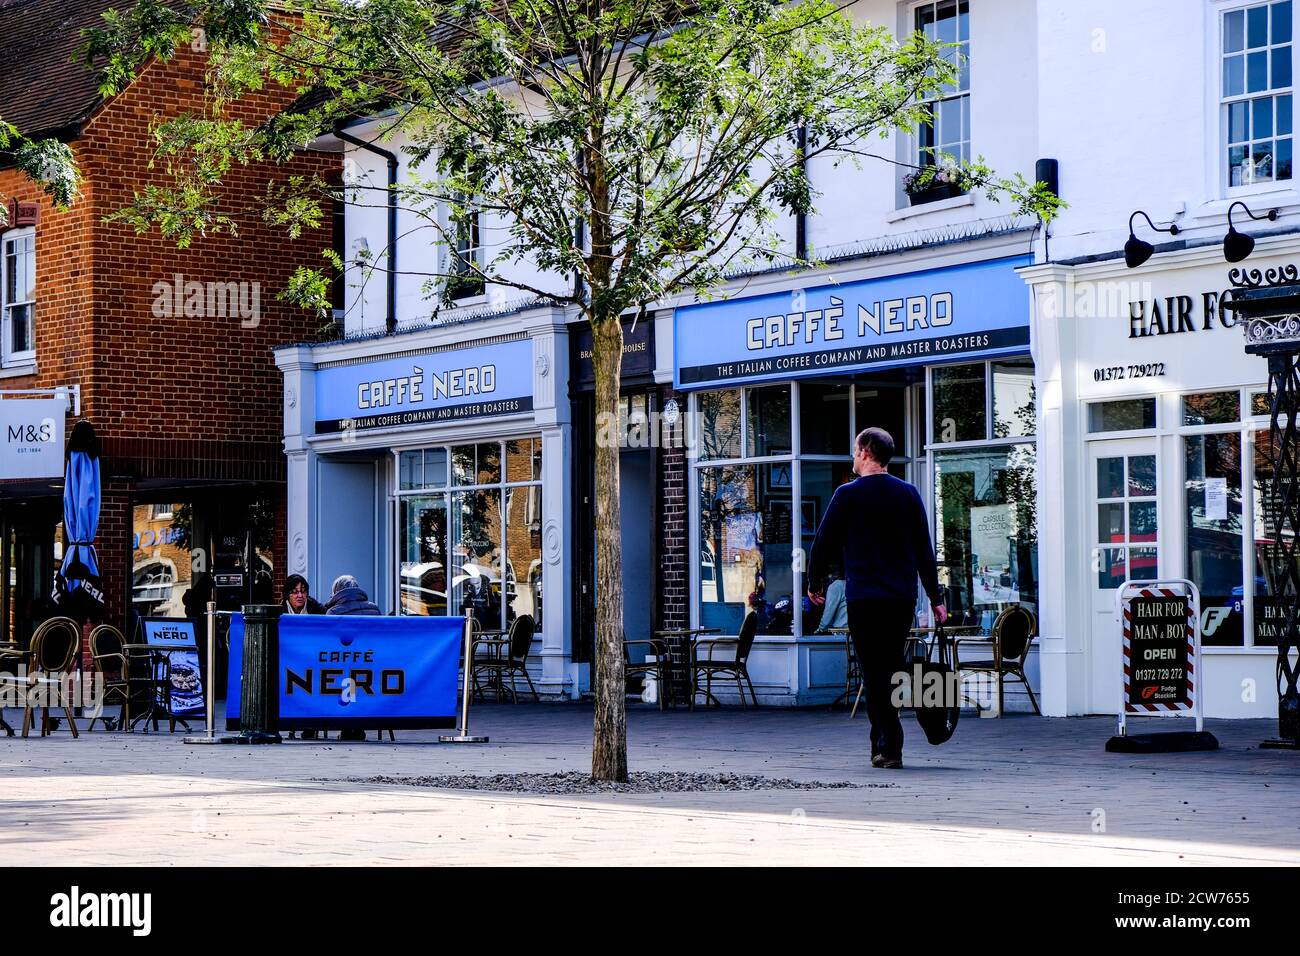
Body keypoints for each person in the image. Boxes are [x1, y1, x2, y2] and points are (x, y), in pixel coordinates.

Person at [807, 427, 946, 770]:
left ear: (867, 452)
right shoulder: (909, 494)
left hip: (865, 598)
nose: (853, 458)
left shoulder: (846, 495)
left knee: (874, 671)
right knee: (890, 667)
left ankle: (890, 744)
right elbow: (924, 551)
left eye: (855, 451)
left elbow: (822, 543)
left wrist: (815, 582)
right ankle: (880, 744)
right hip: (900, 598)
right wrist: (936, 597)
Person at [323, 575, 380, 741]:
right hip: (370, 663)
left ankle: (347, 726)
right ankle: (360, 725)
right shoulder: (374, 609)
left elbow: (329, 641)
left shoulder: (333, 612)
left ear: (336, 592)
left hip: (342, 664)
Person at [815, 566, 849, 633]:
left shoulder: (836, 585)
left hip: (841, 633)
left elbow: (827, 617)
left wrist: (820, 629)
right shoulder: (852, 584)